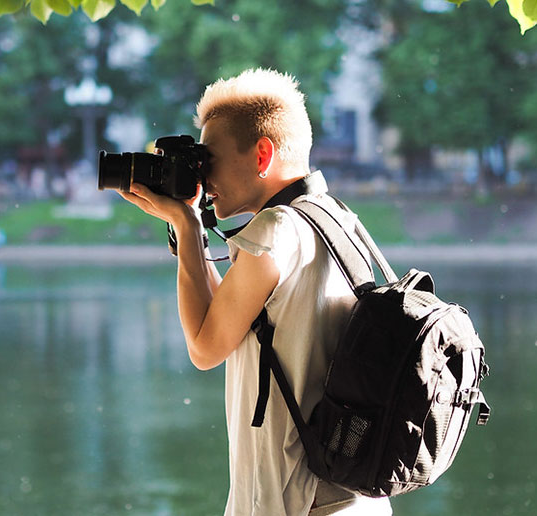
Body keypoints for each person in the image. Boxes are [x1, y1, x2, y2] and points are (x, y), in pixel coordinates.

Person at [119, 68, 392, 516]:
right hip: (353, 500)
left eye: (209, 160)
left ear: (262, 154)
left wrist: (188, 228)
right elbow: (226, 318)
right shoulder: (335, 220)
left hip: (293, 504)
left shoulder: (275, 228)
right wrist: (189, 226)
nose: (202, 177)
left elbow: (206, 348)